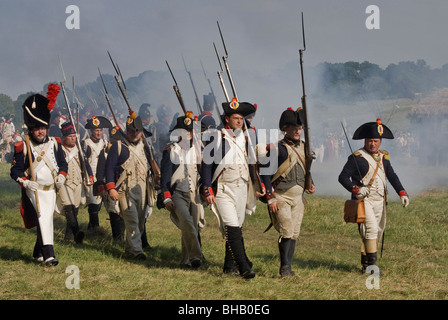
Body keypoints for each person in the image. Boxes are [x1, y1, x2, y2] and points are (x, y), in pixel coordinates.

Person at [201, 98, 265, 279]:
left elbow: (250, 163)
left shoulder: (246, 138)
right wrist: (207, 188)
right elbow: (206, 166)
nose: (239, 121)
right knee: (231, 226)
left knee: (237, 226)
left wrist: (256, 184)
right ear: (227, 119)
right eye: (236, 118)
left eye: (241, 118)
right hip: (223, 188)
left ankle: (229, 266)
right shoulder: (216, 137)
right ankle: (244, 266)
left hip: (241, 189)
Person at [338, 118, 410, 274]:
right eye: (370, 141)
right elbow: (343, 177)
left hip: (380, 201)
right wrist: (356, 189)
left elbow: (392, 176)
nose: (372, 144)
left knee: (376, 232)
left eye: (376, 141)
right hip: (364, 201)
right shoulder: (357, 157)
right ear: (365, 141)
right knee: (370, 230)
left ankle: (365, 265)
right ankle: (372, 267)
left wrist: (402, 192)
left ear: (380, 142)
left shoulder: (384, 157)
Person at [10, 84, 68, 266]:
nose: (41, 131)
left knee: (46, 219)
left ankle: (38, 253)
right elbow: (15, 171)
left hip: (51, 189)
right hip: (34, 189)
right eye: (37, 128)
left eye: (43, 127)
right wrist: (25, 183)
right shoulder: (23, 146)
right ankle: (49, 255)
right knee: (43, 220)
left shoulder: (55, 143)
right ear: (31, 129)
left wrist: (62, 176)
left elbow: (63, 164)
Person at [260, 107, 315, 277]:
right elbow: (265, 174)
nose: (297, 131)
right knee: (287, 231)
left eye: (299, 128)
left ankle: (289, 267)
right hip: (281, 196)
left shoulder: (304, 147)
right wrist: (270, 198)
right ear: (285, 129)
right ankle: (284, 268)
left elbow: (306, 169)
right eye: (293, 128)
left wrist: (310, 183)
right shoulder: (278, 149)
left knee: (295, 233)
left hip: (298, 198)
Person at [105, 113, 156, 260]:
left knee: (140, 221)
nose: (134, 133)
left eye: (137, 131)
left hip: (142, 188)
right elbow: (109, 168)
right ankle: (137, 251)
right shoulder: (118, 146)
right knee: (132, 219)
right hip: (125, 189)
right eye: (131, 130)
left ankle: (130, 248)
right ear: (126, 131)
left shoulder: (145, 147)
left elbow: (150, 166)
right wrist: (111, 188)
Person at [160, 112, 205, 268]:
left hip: (195, 193)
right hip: (177, 193)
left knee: (191, 225)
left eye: (190, 131)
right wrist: (166, 197)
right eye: (184, 131)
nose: (187, 134)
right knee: (187, 223)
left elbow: (203, 173)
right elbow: (165, 177)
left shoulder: (199, 150)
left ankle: (185, 261)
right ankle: (196, 257)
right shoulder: (171, 150)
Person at [57, 121, 94, 244]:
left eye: (74, 136)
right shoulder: (59, 150)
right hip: (65, 183)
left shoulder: (79, 149)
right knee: (69, 208)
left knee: (75, 210)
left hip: (77, 182)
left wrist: (90, 175)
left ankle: (69, 238)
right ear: (64, 137)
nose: (73, 139)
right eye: (70, 137)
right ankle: (77, 232)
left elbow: (86, 163)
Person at [95, 124, 126, 242]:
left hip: (122, 186)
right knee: (114, 211)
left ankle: (122, 237)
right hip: (110, 187)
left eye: (116, 140)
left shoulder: (124, 151)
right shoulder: (105, 153)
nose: (114, 142)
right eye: (113, 140)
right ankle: (117, 238)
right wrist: (102, 187)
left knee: (123, 211)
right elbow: (101, 171)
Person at [83, 115, 112, 234]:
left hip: (101, 177)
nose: (99, 132)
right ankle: (95, 228)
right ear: (92, 131)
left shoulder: (105, 143)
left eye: (100, 130)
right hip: (89, 177)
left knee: (99, 203)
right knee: (93, 203)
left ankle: (91, 226)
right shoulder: (86, 144)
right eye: (96, 130)